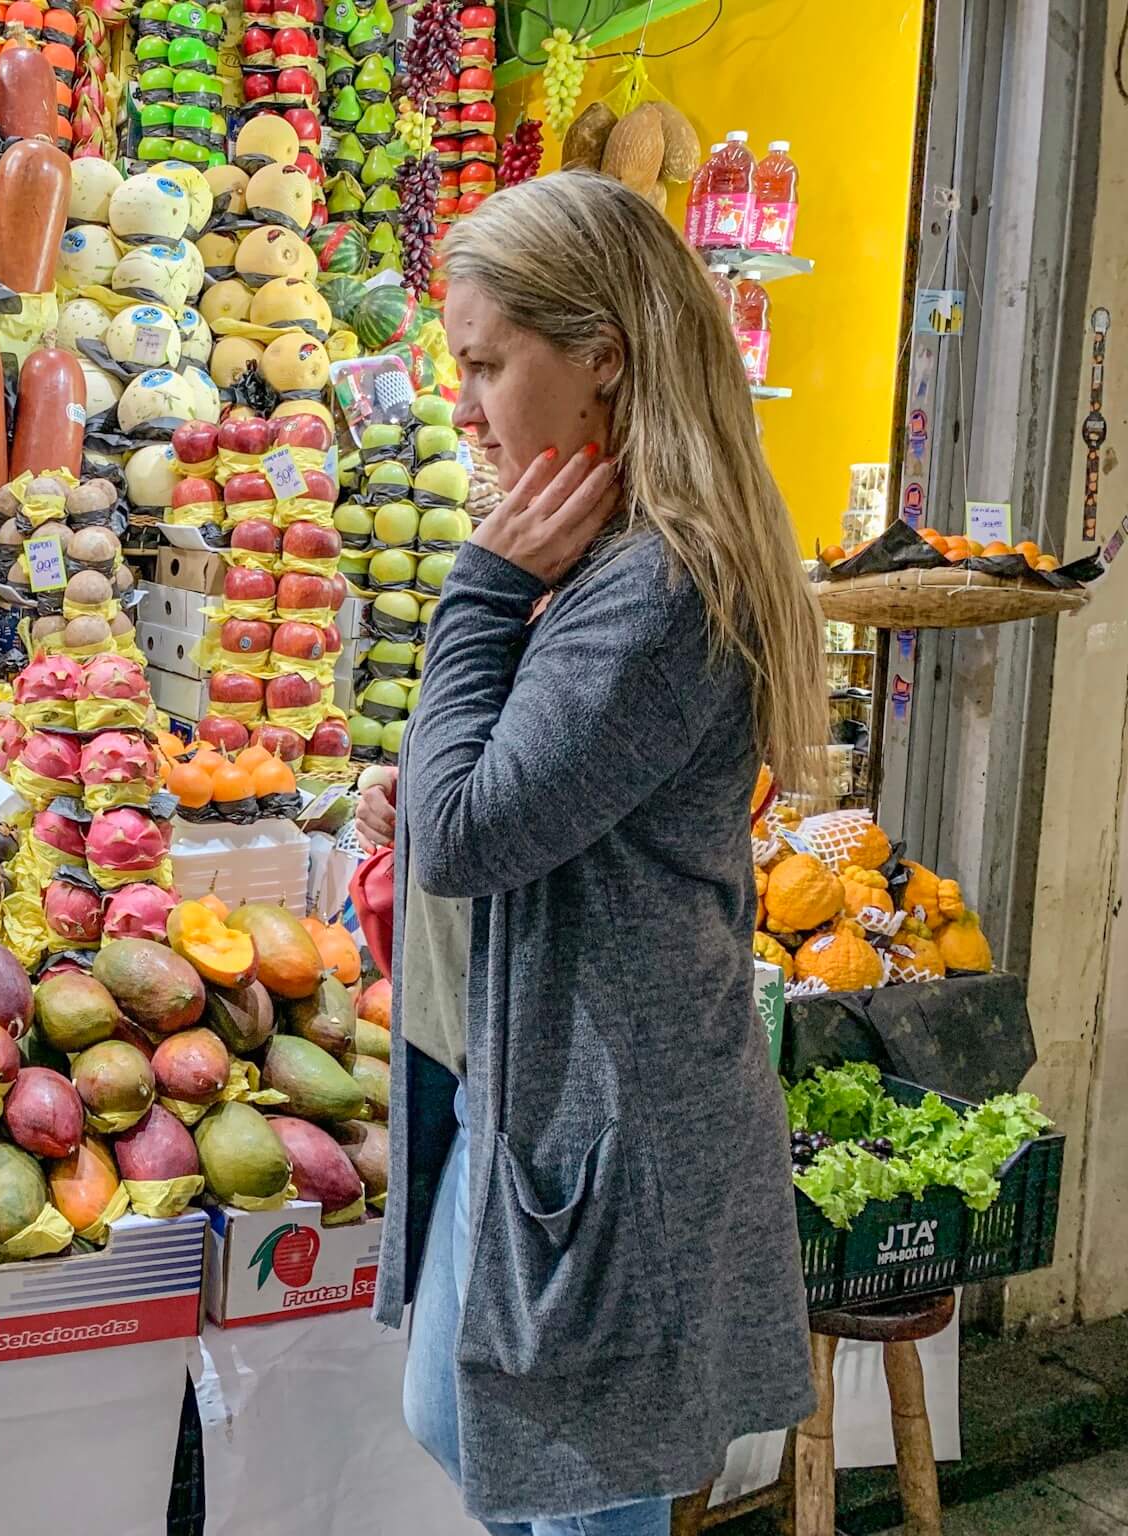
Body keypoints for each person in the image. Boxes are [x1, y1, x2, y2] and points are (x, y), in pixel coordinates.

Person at [368, 172, 830, 1535]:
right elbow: (491, 799)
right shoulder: (609, 563)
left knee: (582, 1495)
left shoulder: (656, 585)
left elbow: (465, 837)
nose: (462, 405)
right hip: (546, 1095)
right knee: (460, 1421)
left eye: (486, 364)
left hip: (611, 1118)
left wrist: (480, 594)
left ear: (603, 359)